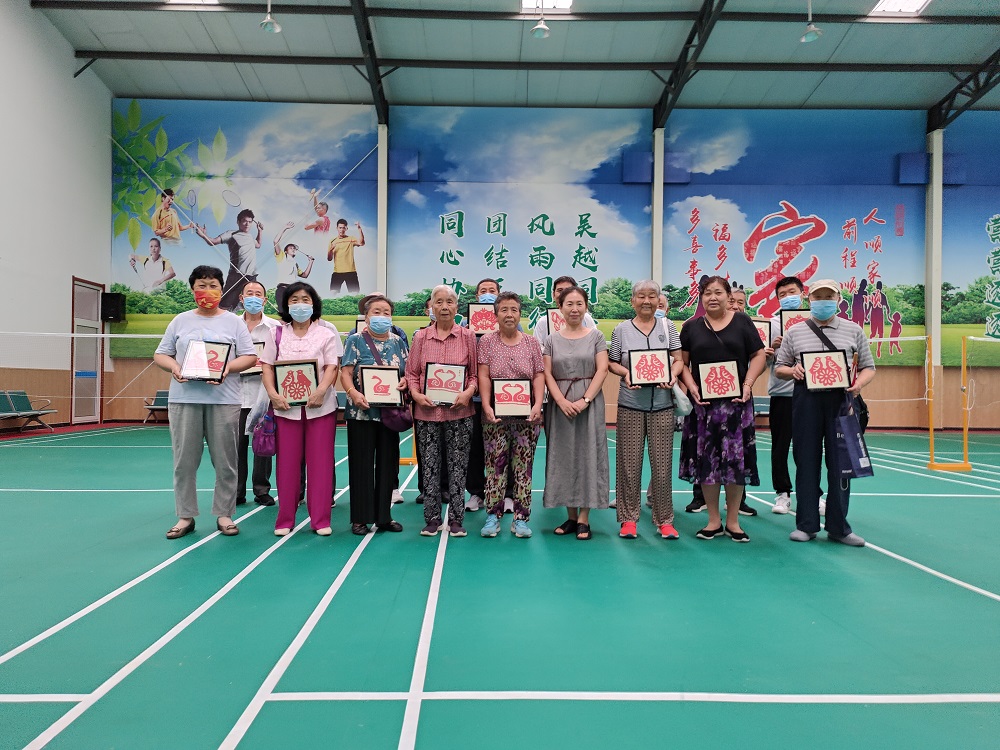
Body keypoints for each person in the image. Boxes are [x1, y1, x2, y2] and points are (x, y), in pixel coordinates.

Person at [153, 265, 258, 539]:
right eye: (202, 285)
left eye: (213, 286)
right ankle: (185, 516)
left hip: (224, 401)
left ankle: (224, 514)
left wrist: (227, 369)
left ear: (222, 290)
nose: (207, 291)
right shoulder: (180, 321)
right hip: (184, 399)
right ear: (192, 289)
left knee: (226, 461)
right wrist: (175, 368)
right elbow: (161, 354)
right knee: (184, 462)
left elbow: (250, 357)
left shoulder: (234, 322)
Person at [775, 279, 876, 547]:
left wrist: (859, 384)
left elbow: (869, 367)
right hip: (806, 401)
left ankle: (839, 527)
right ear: (809, 300)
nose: (823, 301)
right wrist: (793, 371)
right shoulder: (795, 331)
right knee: (806, 462)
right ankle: (806, 525)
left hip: (841, 403)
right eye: (818, 296)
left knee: (841, 464)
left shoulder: (853, 330)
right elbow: (779, 367)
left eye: (828, 296)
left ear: (838, 299)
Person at [678, 275, 767, 543]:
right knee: (708, 461)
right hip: (703, 406)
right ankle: (713, 520)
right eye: (707, 293)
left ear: (729, 296)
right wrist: (692, 387)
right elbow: (682, 363)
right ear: (701, 298)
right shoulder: (691, 327)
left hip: (737, 405)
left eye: (718, 292)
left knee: (735, 461)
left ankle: (733, 521)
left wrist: (748, 384)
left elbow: (758, 355)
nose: (712, 297)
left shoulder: (743, 322)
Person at [260, 282, 343, 536]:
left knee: (321, 464)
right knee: (286, 465)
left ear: (314, 304)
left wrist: (321, 391)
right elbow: (267, 366)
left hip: (321, 409)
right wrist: (273, 394)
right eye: (294, 299)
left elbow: (332, 367)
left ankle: (320, 519)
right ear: (286, 305)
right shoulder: (275, 333)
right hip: (286, 409)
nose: (300, 304)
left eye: (305, 299)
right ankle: (285, 519)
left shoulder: (326, 333)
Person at [609, 281, 683, 539]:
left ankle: (664, 520)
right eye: (641, 296)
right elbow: (612, 363)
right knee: (628, 465)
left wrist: (672, 375)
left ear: (658, 300)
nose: (647, 301)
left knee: (662, 466)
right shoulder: (621, 330)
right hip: (630, 404)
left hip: (662, 405)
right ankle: (628, 520)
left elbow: (679, 359)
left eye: (652, 296)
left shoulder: (668, 327)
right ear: (633, 301)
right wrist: (627, 373)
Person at [406, 285, 479, 537]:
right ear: (432, 307)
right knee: (429, 466)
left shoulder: (468, 336)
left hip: (460, 413)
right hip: (426, 414)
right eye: (439, 302)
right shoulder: (420, 337)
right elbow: (412, 374)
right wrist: (417, 395)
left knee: (458, 466)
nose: (444, 307)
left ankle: (457, 519)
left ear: (457, 307)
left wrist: (468, 393)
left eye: (449, 302)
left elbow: (474, 375)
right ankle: (432, 518)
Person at [543, 285, 610, 541]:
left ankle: (584, 518)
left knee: (589, 455)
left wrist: (585, 400)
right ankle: (571, 516)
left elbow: (602, 369)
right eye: (569, 304)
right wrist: (560, 401)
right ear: (560, 308)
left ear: (586, 307)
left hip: (589, 403)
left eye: (579, 304)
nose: (574, 309)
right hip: (559, 405)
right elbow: (547, 373)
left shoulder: (596, 336)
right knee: (563, 456)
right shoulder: (551, 340)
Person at [477, 291, 545, 538]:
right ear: (496, 315)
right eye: (504, 309)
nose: (509, 314)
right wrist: (486, 405)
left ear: (520, 314)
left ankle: (521, 518)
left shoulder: (531, 343)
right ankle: (492, 516)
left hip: (526, 419)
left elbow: (538, 375)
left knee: (523, 469)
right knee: (494, 467)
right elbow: (484, 375)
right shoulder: (486, 342)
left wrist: (538, 404)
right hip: (495, 417)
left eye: (514, 309)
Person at [341, 295, 409, 535]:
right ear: (366, 316)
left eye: (386, 312)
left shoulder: (398, 342)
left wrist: (404, 382)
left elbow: (407, 372)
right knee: (361, 464)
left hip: (390, 413)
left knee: (388, 464)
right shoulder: (355, 340)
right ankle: (360, 518)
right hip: (361, 412)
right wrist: (353, 393)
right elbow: (346, 373)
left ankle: (383, 516)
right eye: (376, 312)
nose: (382, 316)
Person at [236, 280, 279, 507]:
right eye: (249, 293)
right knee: (235, 448)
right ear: (241, 298)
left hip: (263, 396)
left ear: (264, 299)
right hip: (233, 395)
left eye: (258, 294)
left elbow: (281, 358)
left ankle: (262, 490)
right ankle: (236, 491)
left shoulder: (274, 327)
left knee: (263, 444)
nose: (254, 297)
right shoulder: (231, 325)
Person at [464, 277, 500, 513]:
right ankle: (476, 493)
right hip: (473, 397)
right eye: (483, 291)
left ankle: (505, 493)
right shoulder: (466, 324)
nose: (488, 294)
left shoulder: (508, 320)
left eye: (492, 290)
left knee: (501, 447)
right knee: (474, 447)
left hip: (501, 397)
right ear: (477, 296)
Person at [768, 276, 804, 515]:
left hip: (811, 394)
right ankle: (783, 494)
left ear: (802, 293)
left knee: (808, 448)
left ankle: (813, 494)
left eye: (792, 292)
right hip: (781, 394)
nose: (788, 297)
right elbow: (763, 362)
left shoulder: (815, 322)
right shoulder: (772, 324)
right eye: (783, 294)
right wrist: (772, 348)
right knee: (780, 447)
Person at [195, 209, 262, 311]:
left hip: (251, 276)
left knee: (255, 302)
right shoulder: (231, 234)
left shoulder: (250, 237)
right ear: (238, 222)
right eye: (244, 221)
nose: (247, 224)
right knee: (224, 305)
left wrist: (260, 231)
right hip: (237, 275)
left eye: (250, 222)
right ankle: (230, 310)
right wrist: (203, 235)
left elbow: (258, 244)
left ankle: (239, 306)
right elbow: (213, 241)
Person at [532, 274, 597, 350]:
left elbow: (594, 344)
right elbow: (537, 348)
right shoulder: (543, 322)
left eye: (568, 290)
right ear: (553, 295)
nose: (564, 294)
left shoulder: (586, 318)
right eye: (560, 290)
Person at [273, 221, 314, 308]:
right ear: (285, 251)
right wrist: (285, 228)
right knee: (284, 313)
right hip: (283, 289)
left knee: (294, 313)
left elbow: (305, 275)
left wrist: (310, 262)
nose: (293, 249)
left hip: (293, 291)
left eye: (294, 248)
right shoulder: (282, 256)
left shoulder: (295, 264)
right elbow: (275, 241)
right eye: (291, 248)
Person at [327, 218, 365, 294]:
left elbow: (361, 243)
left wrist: (359, 229)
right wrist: (330, 250)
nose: (342, 230)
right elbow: (329, 258)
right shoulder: (332, 241)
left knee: (355, 295)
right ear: (337, 228)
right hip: (337, 272)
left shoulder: (351, 239)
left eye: (343, 228)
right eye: (340, 228)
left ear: (346, 228)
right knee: (332, 295)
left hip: (350, 271)